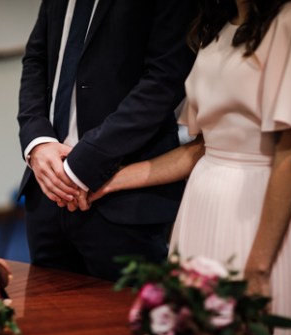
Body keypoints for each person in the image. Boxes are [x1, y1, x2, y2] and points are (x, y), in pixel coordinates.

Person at [84, 1, 291, 335]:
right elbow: (202, 149)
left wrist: (258, 271)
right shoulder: (215, 27)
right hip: (201, 208)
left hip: (260, 214)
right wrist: (109, 182)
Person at [17, 1, 196, 281]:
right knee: (47, 320)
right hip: (47, 192)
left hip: (124, 200)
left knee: (127, 322)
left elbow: (164, 80)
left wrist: (81, 166)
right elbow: (36, 58)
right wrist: (37, 140)